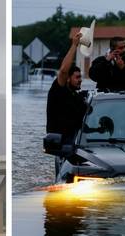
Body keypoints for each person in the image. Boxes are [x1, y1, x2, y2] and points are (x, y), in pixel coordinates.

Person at [46, 32, 89, 172]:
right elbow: (63, 71)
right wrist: (74, 45)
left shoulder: (80, 98)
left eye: (80, 77)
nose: (80, 80)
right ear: (68, 79)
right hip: (63, 147)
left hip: (83, 147)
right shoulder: (58, 91)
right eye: (77, 77)